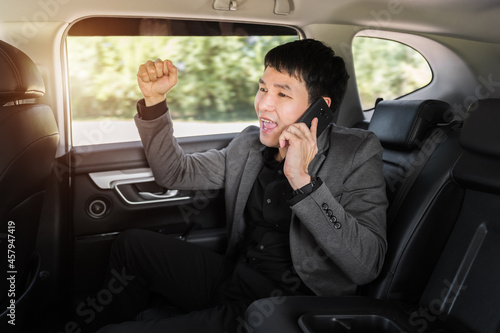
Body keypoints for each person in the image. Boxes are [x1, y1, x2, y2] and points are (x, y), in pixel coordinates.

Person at [96, 39, 387, 333]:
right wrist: (154, 101)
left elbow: (365, 264)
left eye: (282, 94)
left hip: (282, 307)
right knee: (130, 246)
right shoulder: (248, 145)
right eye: (262, 89)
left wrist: (303, 180)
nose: (263, 105)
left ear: (319, 109)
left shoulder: (356, 153)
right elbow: (174, 172)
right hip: (234, 276)